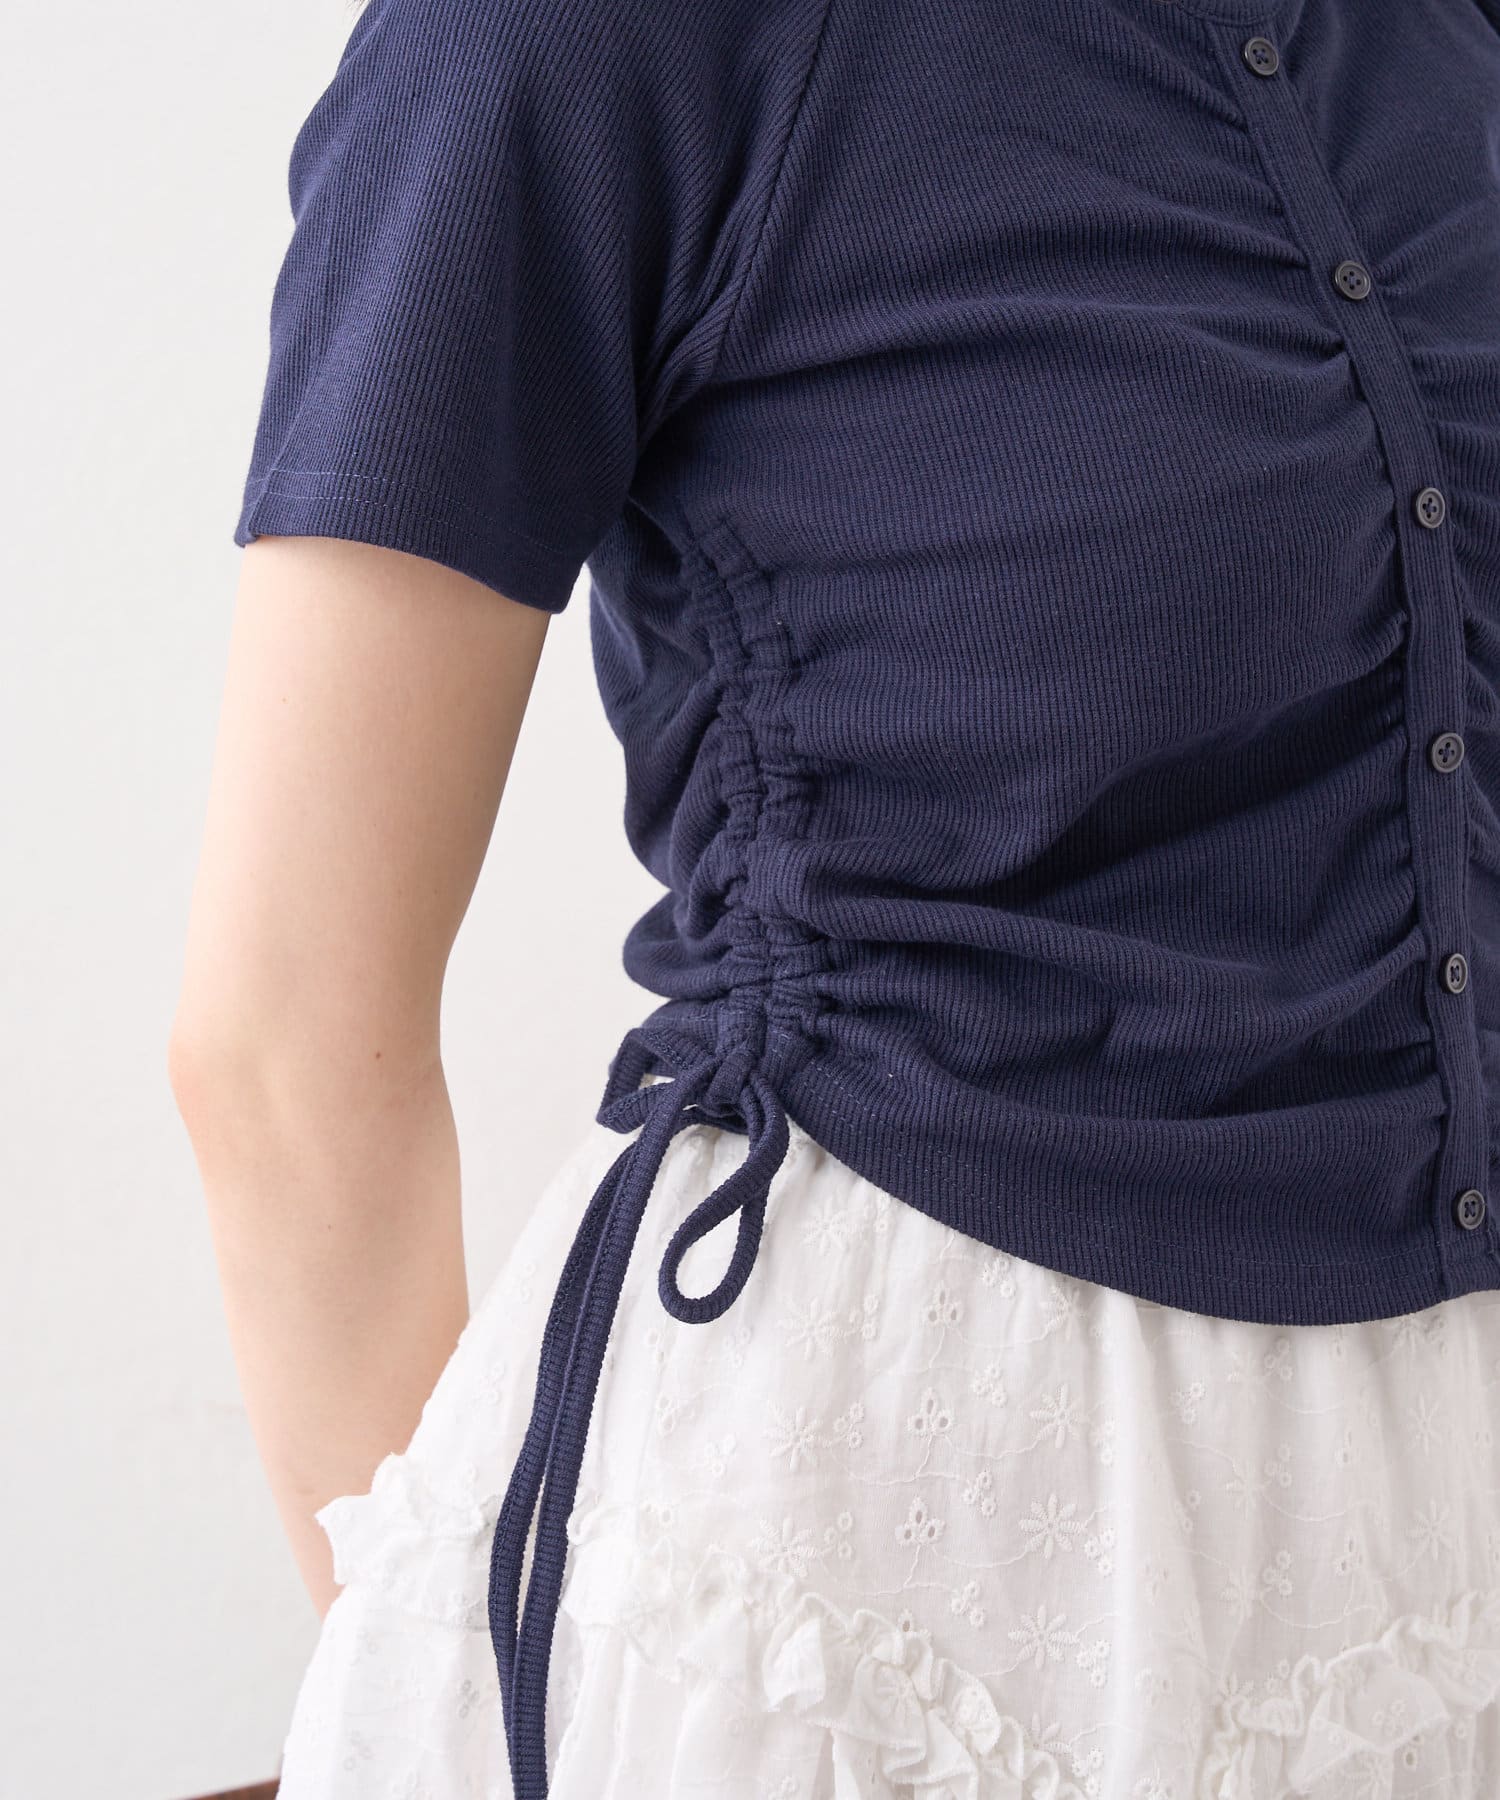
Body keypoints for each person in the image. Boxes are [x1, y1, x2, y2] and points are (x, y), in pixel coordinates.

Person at [169, 0, 1500, 1792]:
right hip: (869, 1574)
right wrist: (438, 1711)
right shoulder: (583, 42)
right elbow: (283, 1045)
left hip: (1434, 1548)